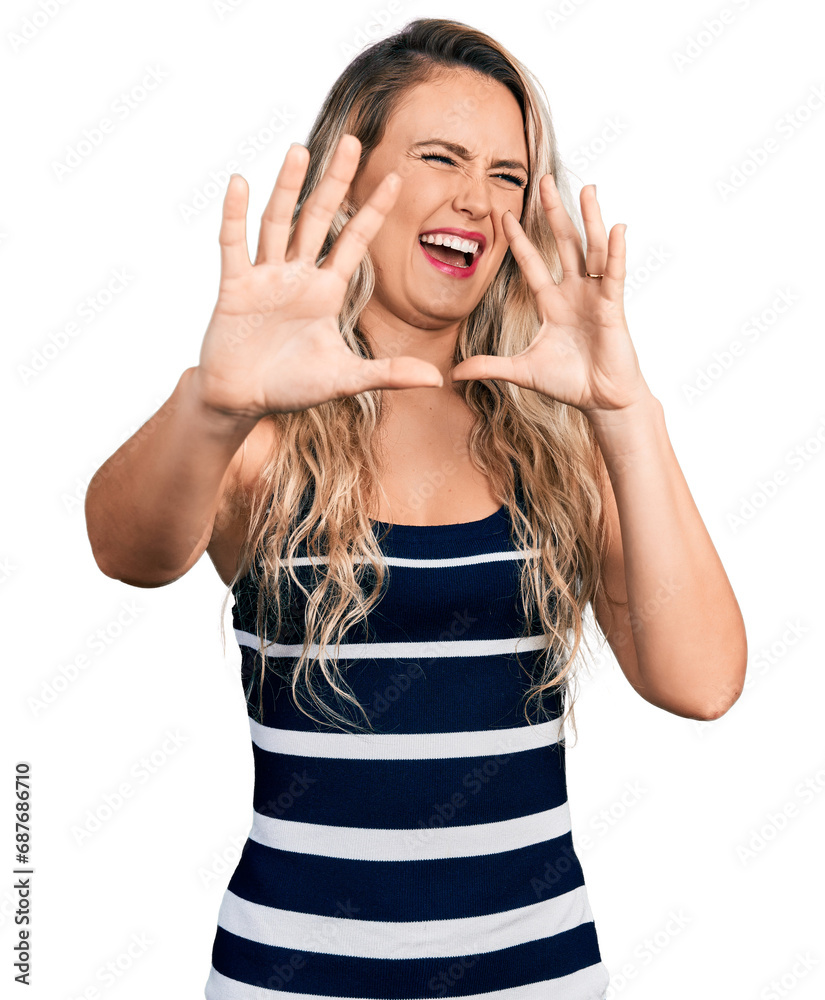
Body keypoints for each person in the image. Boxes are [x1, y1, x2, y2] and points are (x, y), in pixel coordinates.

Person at [84, 17, 748, 1000]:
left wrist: (627, 412)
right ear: (350, 180)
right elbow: (124, 548)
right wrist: (211, 402)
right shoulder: (264, 434)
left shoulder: (564, 445)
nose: (475, 200)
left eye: (508, 174)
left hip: (537, 977)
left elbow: (700, 681)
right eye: (440, 157)